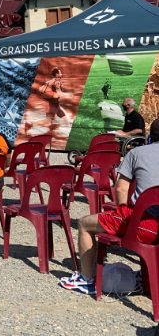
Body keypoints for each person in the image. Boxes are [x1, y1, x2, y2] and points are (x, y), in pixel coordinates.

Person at [60, 118, 159, 295]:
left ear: (150, 137)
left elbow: (121, 188)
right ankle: (147, 276)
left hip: (145, 225)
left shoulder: (137, 153)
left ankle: (86, 279)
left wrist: (123, 212)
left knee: (84, 223)